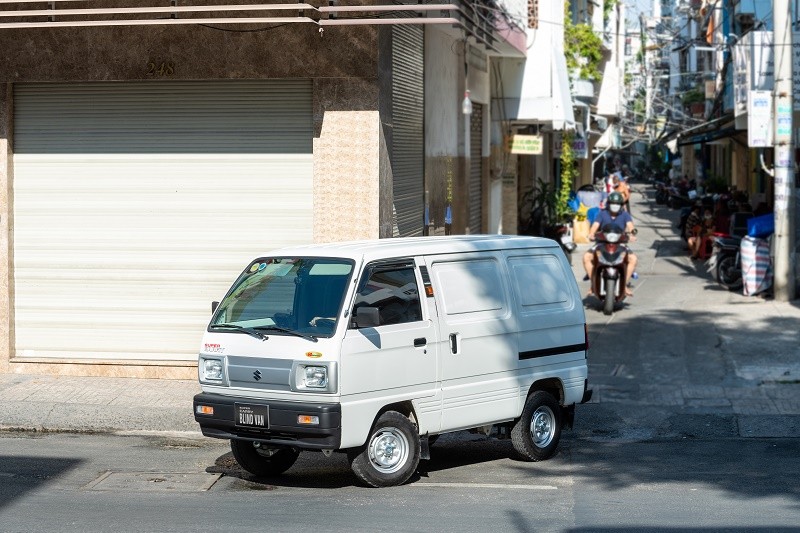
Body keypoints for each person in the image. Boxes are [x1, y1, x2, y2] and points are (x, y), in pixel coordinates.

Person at [582, 192, 638, 297]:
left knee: (633, 259)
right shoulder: (602, 214)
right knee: (586, 257)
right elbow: (595, 226)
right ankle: (593, 284)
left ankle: (624, 285)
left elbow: (630, 226)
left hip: (620, 244)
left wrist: (632, 233)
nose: (615, 205)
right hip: (602, 243)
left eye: (617, 203)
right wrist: (591, 233)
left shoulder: (625, 215)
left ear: (621, 205)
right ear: (608, 203)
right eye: (613, 203)